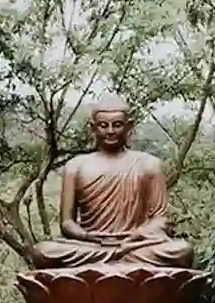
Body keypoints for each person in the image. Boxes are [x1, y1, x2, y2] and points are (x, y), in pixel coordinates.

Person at [28, 96, 193, 269]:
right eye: (103, 125)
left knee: (182, 251)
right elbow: (67, 223)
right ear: (93, 127)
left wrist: (136, 235)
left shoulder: (149, 164)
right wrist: (88, 237)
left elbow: (161, 219)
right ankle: (117, 263)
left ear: (129, 126)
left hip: (134, 245)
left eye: (117, 125)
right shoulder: (75, 166)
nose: (110, 131)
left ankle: (112, 263)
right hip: (92, 246)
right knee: (42, 252)